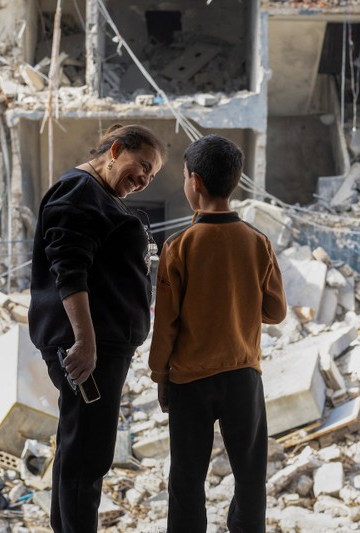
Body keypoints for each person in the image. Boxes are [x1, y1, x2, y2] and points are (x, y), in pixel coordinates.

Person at [28, 124, 167, 532]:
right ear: (116, 149)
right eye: (141, 166)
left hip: (103, 348)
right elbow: (69, 269)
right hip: (91, 349)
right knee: (88, 455)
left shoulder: (98, 194)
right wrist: (85, 341)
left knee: (80, 448)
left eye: (152, 176)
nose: (143, 180)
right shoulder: (79, 191)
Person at [148, 134, 287, 532]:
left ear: (194, 182)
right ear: (236, 182)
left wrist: (161, 375)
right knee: (249, 476)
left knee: (187, 480)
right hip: (244, 376)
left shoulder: (179, 247)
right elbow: (275, 312)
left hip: (190, 381)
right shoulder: (258, 243)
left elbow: (167, 324)